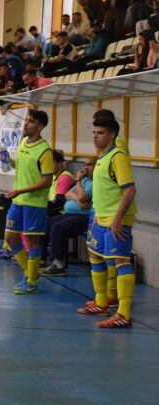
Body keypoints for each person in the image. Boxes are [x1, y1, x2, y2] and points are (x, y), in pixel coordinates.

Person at [76, 110, 138, 328]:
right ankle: (102, 302)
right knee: (95, 255)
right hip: (100, 216)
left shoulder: (118, 155)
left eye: (100, 133)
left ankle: (124, 314)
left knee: (120, 261)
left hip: (116, 219)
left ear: (111, 135)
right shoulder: (102, 156)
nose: (95, 136)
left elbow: (129, 190)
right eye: (93, 132)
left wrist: (117, 218)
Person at [2, 109, 54, 294]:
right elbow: (22, 167)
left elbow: (47, 180)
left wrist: (21, 190)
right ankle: (30, 272)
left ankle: (31, 282)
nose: (25, 124)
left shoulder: (45, 151)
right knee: (10, 238)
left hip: (34, 203)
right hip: (18, 200)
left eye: (30, 121)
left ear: (40, 126)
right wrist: (10, 161)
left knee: (32, 243)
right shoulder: (24, 142)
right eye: (26, 120)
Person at [40, 157, 96, 277]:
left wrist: (78, 181)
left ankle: (58, 265)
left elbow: (83, 197)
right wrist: (77, 198)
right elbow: (67, 194)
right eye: (85, 164)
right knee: (46, 222)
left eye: (90, 164)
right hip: (69, 214)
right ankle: (40, 258)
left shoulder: (94, 182)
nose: (86, 168)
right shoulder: (84, 181)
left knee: (58, 227)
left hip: (84, 217)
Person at [47, 149, 75, 217]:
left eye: (51, 163)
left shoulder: (65, 177)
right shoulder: (53, 176)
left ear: (59, 164)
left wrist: (41, 205)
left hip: (61, 212)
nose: (48, 166)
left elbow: (59, 202)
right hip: (52, 209)